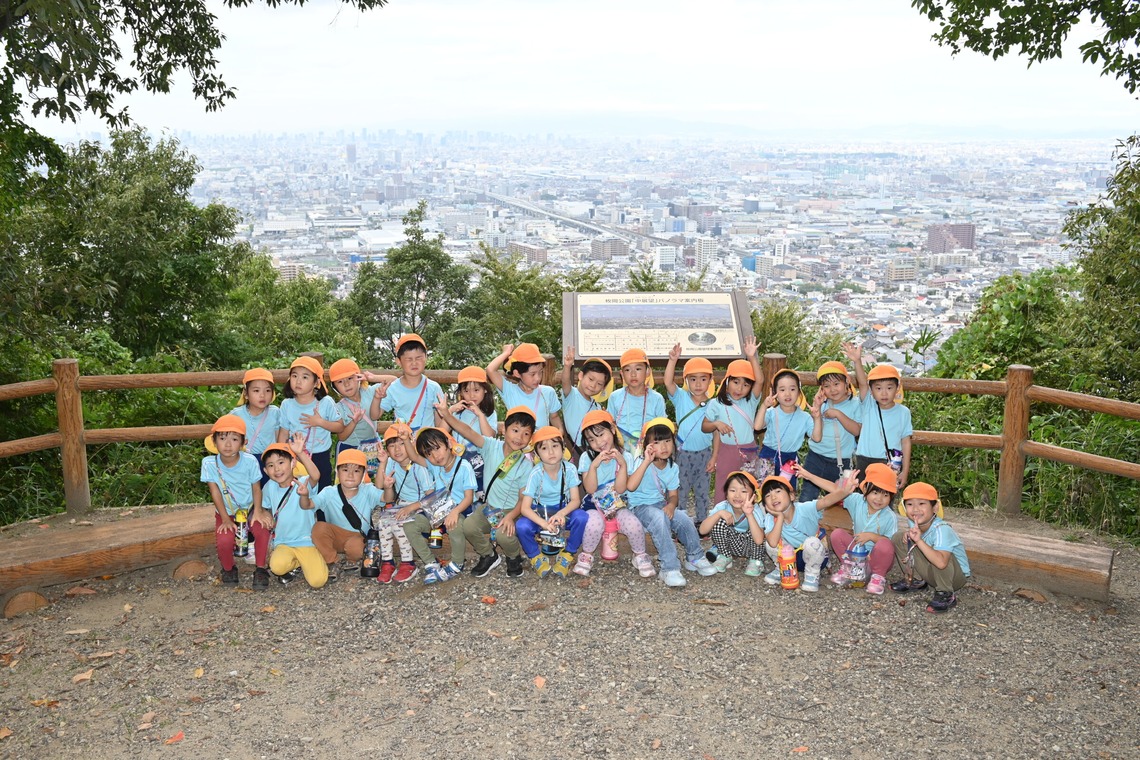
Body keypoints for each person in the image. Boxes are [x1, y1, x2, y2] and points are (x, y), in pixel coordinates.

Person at [437, 402, 536, 579]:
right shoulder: (491, 446)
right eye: (515, 430)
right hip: (489, 507)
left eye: (526, 433)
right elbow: (468, 431)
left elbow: (523, 499)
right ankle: (489, 555)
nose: (519, 437)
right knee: (469, 526)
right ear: (504, 430)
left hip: (511, 510)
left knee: (504, 534)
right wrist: (447, 415)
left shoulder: (525, 464)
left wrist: (511, 517)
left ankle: (514, 558)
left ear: (530, 439)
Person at [626, 418, 718, 588]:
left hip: (661, 503)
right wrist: (646, 461)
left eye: (667, 441)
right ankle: (669, 568)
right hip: (640, 507)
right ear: (647, 445)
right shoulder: (640, 462)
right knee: (660, 518)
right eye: (657, 442)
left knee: (684, 517)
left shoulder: (672, 467)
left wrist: (671, 505)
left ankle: (694, 557)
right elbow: (630, 487)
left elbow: (673, 496)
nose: (663, 446)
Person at [795, 462, 899, 595]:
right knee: (837, 534)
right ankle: (848, 568)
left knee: (885, 544)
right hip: (856, 557)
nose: (879, 499)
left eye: (886, 495)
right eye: (875, 492)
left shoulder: (890, 516)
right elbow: (834, 489)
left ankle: (878, 577)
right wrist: (809, 476)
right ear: (865, 489)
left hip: (877, 561)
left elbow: (891, 544)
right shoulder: (857, 501)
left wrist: (872, 536)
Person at [574, 409, 654, 578]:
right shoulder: (586, 458)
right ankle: (587, 555)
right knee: (593, 523)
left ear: (612, 429)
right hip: (594, 505)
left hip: (618, 506)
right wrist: (594, 465)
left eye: (601, 434)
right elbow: (589, 489)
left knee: (633, 524)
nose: (599, 442)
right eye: (592, 439)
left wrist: (623, 465)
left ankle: (639, 555)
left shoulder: (625, 456)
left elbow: (620, 489)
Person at [395, 427, 477, 584]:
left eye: (437, 448)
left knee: (454, 524)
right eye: (428, 453)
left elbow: (469, 498)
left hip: (459, 511)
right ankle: (431, 563)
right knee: (410, 526)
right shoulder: (435, 466)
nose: (435, 456)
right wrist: (406, 439)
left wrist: (455, 512)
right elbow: (413, 456)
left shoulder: (464, 466)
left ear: (447, 443)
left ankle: (457, 563)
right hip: (437, 511)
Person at [202, 414, 272, 589]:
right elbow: (215, 492)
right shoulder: (209, 463)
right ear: (214, 440)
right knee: (224, 540)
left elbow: (256, 487)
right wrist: (225, 518)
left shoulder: (249, 461)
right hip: (227, 511)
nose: (227, 444)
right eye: (222, 438)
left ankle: (261, 569)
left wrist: (257, 511)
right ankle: (228, 568)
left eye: (234, 439)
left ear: (243, 443)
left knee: (261, 528)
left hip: (249, 508)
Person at [759, 471, 859, 592]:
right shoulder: (770, 518)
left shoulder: (804, 509)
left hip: (815, 555)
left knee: (812, 542)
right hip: (789, 559)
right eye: (768, 496)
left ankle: (812, 574)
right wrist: (779, 517)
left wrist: (845, 491)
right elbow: (773, 543)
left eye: (778, 491)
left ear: (791, 496)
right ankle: (782, 569)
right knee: (769, 543)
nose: (773, 497)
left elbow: (826, 501)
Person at [515, 426, 586, 578]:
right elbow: (525, 508)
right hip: (540, 511)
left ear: (563, 448)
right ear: (537, 453)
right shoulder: (535, 473)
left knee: (582, 517)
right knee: (521, 526)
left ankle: (568, 554)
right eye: (544, 448)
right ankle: (536, 557)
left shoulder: (570, 469)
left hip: (563, 511)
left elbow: (575, 501)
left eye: (555, 446)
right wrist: (543, 523)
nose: (551, 452)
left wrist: (561, 513)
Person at [304, 448, 383, 583]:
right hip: (334, 535)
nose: (350, 475)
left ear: (364, 474)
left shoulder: (368, 491)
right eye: (345, 470)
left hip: (356, 537)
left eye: (356, 471)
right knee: (319, 528)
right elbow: (308, 505)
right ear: (337, 472)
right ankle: (333, 562)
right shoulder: (329, 492)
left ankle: (351, 561)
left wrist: (387, 486)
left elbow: (387, 498)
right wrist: (304, 495)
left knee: (357, 547)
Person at [892, 482, 970, 613]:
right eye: (910, 504)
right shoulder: (914, 522)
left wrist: (918, 540)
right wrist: (912, 538)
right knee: (900, 538)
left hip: (953, 578)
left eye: (922, 504)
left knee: (940, 554)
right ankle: (915, 580)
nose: (915, 509)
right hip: (931, 571)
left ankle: (946, 593)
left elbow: (941, 562)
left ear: (935, 507)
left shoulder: (942, 529)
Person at [702, 337, 764, 502]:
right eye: (736, 382)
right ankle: (720, 518)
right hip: (726, 450)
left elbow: (760, 381)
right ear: (727, 381)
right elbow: (705, 426)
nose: (740, 388)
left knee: (748, 486)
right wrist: (716, 424)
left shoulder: (750, 402)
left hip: (749, 450)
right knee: (724, 484)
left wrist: (752, 356)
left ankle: (746, 519)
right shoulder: (716, 403)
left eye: (745, 385)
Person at [262, 435, 327, 589]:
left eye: (281, 462)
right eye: (270, 465)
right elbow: (264, 506)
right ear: (265, 470)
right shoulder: (269, 487)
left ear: (292, 463)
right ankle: (297, 563)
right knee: (276, 567)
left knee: (318, 581)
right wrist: (266, 514)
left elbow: (316, 476)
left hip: (307, 541)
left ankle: (309, 560)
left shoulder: (303, 481)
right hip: (284, 543)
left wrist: (300, 453)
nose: (277, 469)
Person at [847, 343, 913, 491]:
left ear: (897, 389)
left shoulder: (904, 412)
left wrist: (905, 470)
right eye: (878, 388)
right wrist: (857, 361)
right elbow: (862, 383)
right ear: (871, 391)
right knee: (861, 499)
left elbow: (906, 442)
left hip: (889, 463)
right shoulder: (868, 405)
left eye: (889, 388)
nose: (884, 393)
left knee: (884, 500)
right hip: (864, 459)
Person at [663, 345, 715, 524]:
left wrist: (714, 457)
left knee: (702, 491)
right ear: (686, 381)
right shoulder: (681, 397)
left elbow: (716, 434)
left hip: (704, 453)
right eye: (693, 379)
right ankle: (680, 522)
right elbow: (668, 382)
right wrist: (672, 360)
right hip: (683, 453)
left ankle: (702, 523)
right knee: (681, 489)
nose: (698, 384)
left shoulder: (714, 405)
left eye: (703, 379)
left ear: (710, 380)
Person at [277, 355, 343, 491]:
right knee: (297, 493)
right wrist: (281, 456)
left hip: (320, 456)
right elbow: (284, 432)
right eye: (294, 376)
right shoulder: (287, 404)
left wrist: (319, 422)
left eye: (305, 377)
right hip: (295, 456)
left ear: (316, 383)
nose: (298, 381)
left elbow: (340, 426)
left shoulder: (325, 402)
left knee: (321, 493)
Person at [799, 360, 862, 501]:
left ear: (847, 381)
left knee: (838, 500)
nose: (832, 389)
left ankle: (832, 524)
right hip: (815, 457)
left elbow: (857, 430)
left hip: (840, 461)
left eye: (836, 384)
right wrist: (817, 408)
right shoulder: (822, 404)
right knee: (807, 496)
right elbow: (817, 435)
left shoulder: (855, 404)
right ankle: (804, 523)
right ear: (821, 389)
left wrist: (838, 414)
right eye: (826, 386)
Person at [373, 423, 427, 583]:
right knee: (382, 521)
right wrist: (382, 463)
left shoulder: (420, 464)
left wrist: (410, 507)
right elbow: (380, 488)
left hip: (422, 506)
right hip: (402, 504)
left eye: (402, 444)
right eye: (392, 445)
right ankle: (388, 562)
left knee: (398, 522)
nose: (397, 450)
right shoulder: (391, 463)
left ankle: (408, 562)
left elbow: (431, 497)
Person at [441, 365, 498, 509]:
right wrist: (451, 410)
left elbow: (489, 437)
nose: (472, 395)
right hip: (458, 462)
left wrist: (480, 414)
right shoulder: (458, 412)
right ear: (460, 392)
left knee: (478, 495)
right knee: (460, 492)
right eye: (466, 391)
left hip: (480, 464)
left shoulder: (489, 413)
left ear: (485, 389)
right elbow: (441, 433)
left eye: (476, 390)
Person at [369, 333, 443, 433]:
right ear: (398, 361)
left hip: (427, 445)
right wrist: (377, 398)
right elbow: (374, 416)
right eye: (409, 359)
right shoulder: (393, 388)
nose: (414, 363)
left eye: (419, 358)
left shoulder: (433, 388)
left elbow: (439, 422)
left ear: (426, 358)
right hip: (403, 444)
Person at [329, 358, 390, 478]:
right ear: (335, 387)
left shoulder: (371, 391)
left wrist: (372, 378)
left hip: (372, 445)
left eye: (350, 378)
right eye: (340, 382)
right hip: (350, 449)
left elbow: (395, 381)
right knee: (350, 482)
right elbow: (342, 436)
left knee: (373, 480)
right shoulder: (338, 408)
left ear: (359, 378)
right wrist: (354, 421)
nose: (346, 384)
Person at [699, 470, 768, 577]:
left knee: (755, 527)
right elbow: (702, 530)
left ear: (753, 496)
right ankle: (725, 556)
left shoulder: (755, 510)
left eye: (744, 491)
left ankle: (756, 561)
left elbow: (759, 540)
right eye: (732, 490)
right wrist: (719, 514)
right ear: (726, 493)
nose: (737, 495)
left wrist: (749, 515)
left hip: (750, 548)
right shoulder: (722, 506)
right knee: (718, 520)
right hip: (729, 546)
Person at [754, 367, 813, 488]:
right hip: (767, 455)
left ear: (799, 391)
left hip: (790, 460)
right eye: (782, 389)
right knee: (763, 490)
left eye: (792, 389)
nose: (787, 394)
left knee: (786, 491)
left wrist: (817, 418)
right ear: (775, 392)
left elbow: (817, 437)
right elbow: (757, 426)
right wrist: (764, 406)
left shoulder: (805, 417)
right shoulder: (771, 412)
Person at [487, 342, 562, 430]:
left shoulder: (548, 392)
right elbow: (490, 370)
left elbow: (554, 417)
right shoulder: (510, 391)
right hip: (518, 442)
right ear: (517, 373)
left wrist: (559, 433)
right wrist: (506, 353)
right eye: (532, 374)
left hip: (542, 443)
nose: (537, 378)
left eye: (540, 372)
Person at [606, 347, 666, 452]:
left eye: (638, 369)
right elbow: (609, 425)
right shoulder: (615, 397)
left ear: (648, 371)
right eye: (627, 370)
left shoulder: (657, 399)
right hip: (622, 451)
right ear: (622, 374)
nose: (633, 374)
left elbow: (662, 428)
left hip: (649, 451)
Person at [559, 346, 612, 461]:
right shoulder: (572, 395)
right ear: (581, 376)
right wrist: (567, 366)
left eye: (599, 383)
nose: (593, 385)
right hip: (577, 449)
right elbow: (565, 382)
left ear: (603, 388)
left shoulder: (597, 407)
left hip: (595, 449)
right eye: (591, 379)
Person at [229, 367, 280, 485]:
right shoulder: (236, 415)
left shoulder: (275, 412)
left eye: (267, 391)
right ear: (246, 394)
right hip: (246, 460)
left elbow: (278, 438)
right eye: (256, 391)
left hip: (271, 461)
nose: (262, 395)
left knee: (270, 493)